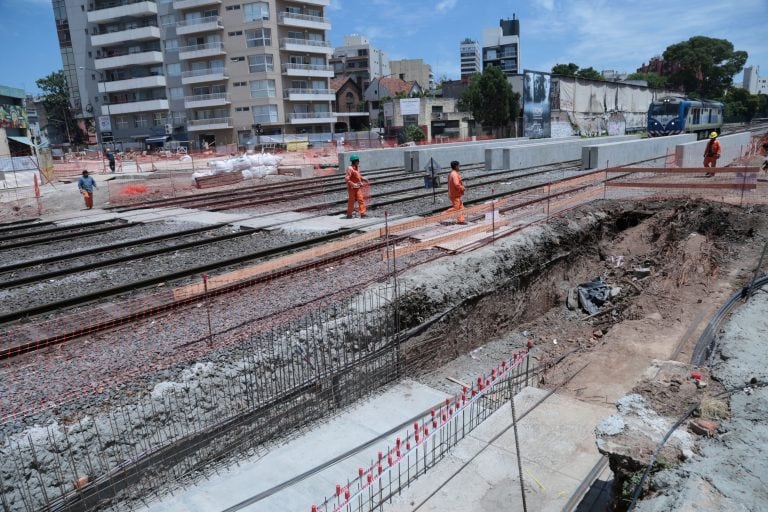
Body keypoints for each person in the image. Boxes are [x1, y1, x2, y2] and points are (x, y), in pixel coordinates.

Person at [345, 153, 368, 218]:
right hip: (352, 188)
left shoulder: (357, 168)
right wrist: (353, 184)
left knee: (360, 199)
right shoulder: (350, 168)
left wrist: (363, 179)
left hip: (358, 187)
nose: (358, 162)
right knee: (351, 201)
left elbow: (358, 176)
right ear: (354, 161)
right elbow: (347, 179)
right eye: (357, 161)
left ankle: (362, 214)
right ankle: (349, 214)